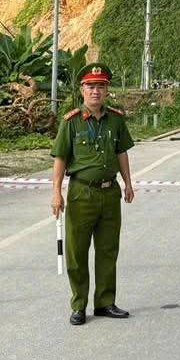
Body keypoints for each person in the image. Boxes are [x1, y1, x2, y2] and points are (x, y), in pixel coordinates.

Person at [50, 63, 135, 326]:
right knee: (77, 252)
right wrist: (56, 192)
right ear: (82, 90)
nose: (95, 91)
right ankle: (79, 305)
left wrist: (128, 183)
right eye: (90, 86)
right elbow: (61, 158)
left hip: (109, 194)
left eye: (100, 86)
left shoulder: (116, 119)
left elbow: (122, 152)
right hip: (81, 193)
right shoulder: (71, 122)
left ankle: (105, 303)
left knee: (108, 250)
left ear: (107, 90)